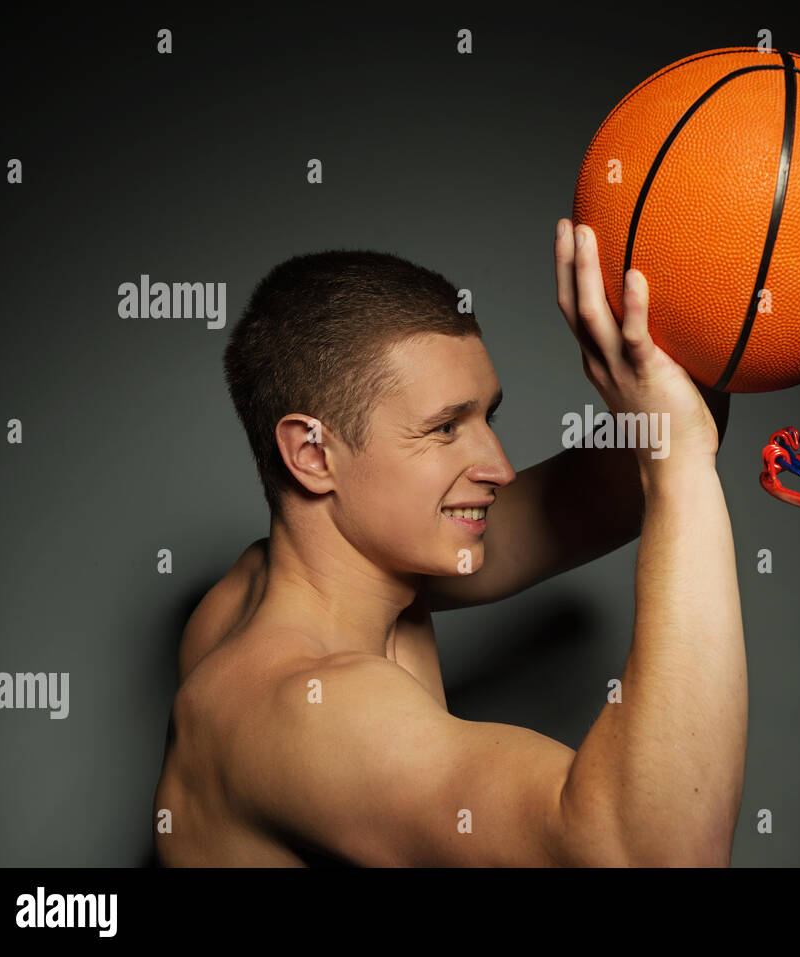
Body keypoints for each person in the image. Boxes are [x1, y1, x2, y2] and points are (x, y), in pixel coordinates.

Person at [152, 220, 746, 866]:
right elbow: (652, 854)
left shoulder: (332, 574)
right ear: (312, 454)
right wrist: (680, 459)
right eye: (443, 429)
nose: (499, 465)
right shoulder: (307, 710)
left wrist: (699, 312)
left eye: (484, 417)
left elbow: (599, 497)